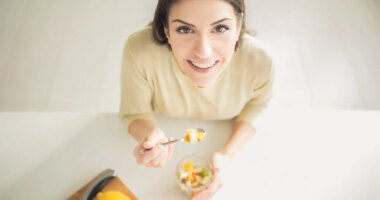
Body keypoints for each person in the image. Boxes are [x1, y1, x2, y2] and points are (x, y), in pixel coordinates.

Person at [119, 0, 274, 199]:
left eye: (220, 28)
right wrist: (148, 134)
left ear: (238, 26)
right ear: (166, 29)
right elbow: (134, 112)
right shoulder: (140, 51)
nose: (203, 52)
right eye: (184, 29)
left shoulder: (260, 59)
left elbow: (259, 106)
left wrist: (226, 155)